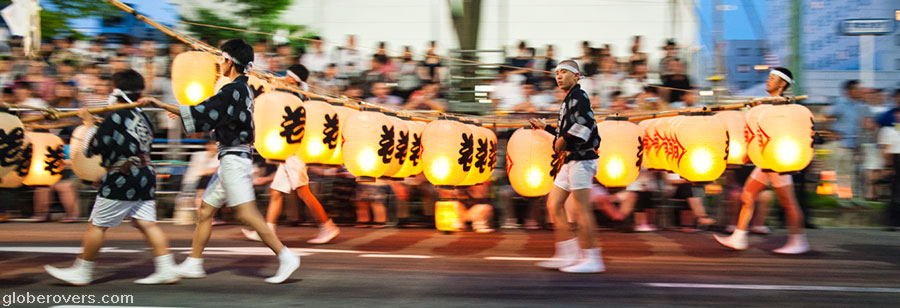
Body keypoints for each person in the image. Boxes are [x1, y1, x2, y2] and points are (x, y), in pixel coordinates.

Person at [142, 39, 300, 283]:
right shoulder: (241, 88)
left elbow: (206, 112)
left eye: (222, 59)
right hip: (231, 157)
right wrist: (181, 112)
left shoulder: (232, 90)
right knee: (205, 210)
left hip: (234, 159)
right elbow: (210, 113)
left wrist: (161, 104)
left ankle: (285, 255)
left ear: (229, 61)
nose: (219, 64)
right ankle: (194, 263)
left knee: (247, 213)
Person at [44, 69, 179, 285]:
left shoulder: (116, 115)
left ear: (115, 90)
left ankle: (83, 271)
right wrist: (101, 123)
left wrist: (89, 123)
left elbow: (92, 148)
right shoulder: (141, 115)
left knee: (97, 225)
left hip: (122, 176)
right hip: (144, 175)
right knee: (147, 224)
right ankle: (167, 269)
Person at [714, 67, 810, 254]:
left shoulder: (784, 106)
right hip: (764, 161)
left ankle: (799, 240)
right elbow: (756, 134)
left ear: (782, 84)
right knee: (747, 195)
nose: (768, 80)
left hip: (778, 160)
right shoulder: (764, 106)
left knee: (788, 201)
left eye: (773, 78)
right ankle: (739, 236)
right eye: (768, 77)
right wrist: (750, 153)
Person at [241, 64, 341, 244]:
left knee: (303, 193)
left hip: (295, 152)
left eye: (287, 75)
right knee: (276, 192)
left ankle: (327, 226)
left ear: (293, 79)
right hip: (291, 151)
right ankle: (268, 230)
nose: (284, 78)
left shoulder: (294, 97)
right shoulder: (296, 95)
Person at [528, 60, 604, 273]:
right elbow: (566, 133)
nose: (559, 76)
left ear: (576, 76)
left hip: (583, 159)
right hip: (572, 159)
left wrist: (563, 140)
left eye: (564, 72)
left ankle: (593, 258)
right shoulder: (569, 99)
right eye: (557, 73)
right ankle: (568, 254)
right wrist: (548, 128)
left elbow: (584, 126)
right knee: (554, 204)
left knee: (582, 209)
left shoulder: (580, 96)